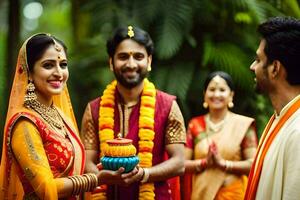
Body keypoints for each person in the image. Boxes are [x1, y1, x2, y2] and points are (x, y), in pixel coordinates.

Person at [0, 33, 115, 199]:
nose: (59, 73)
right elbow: (45, 189)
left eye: (63, 64)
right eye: (48, 65)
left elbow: (72, 169)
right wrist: (96, 179)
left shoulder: (59, 114)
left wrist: (103, 170)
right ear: (29, 72)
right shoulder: (24, 123)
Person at [80, 25, 186, 200]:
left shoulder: (168, 106)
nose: (131, 64)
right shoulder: (94, 109)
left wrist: (144, 173)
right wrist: (103, 176)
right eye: (123, 57)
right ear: (111, 63)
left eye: (138, 57)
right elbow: (86, 162)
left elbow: (179, 163)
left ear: (149, 61)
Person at [245, 17, 300, 200]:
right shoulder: (282, 118)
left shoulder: (298, 131)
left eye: (258, 60)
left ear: (275, 68)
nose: (252, 67)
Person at [183, 71, 258, 200]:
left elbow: (254, 165)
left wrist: (224, 164)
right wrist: (204, 163)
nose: (216, 94)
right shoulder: (195, 125)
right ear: (205, 95)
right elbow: (181, 164)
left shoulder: (243, 125)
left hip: (234, 194)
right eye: (212, 89)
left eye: (222, 90)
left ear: (231, 95)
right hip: (201, 194)